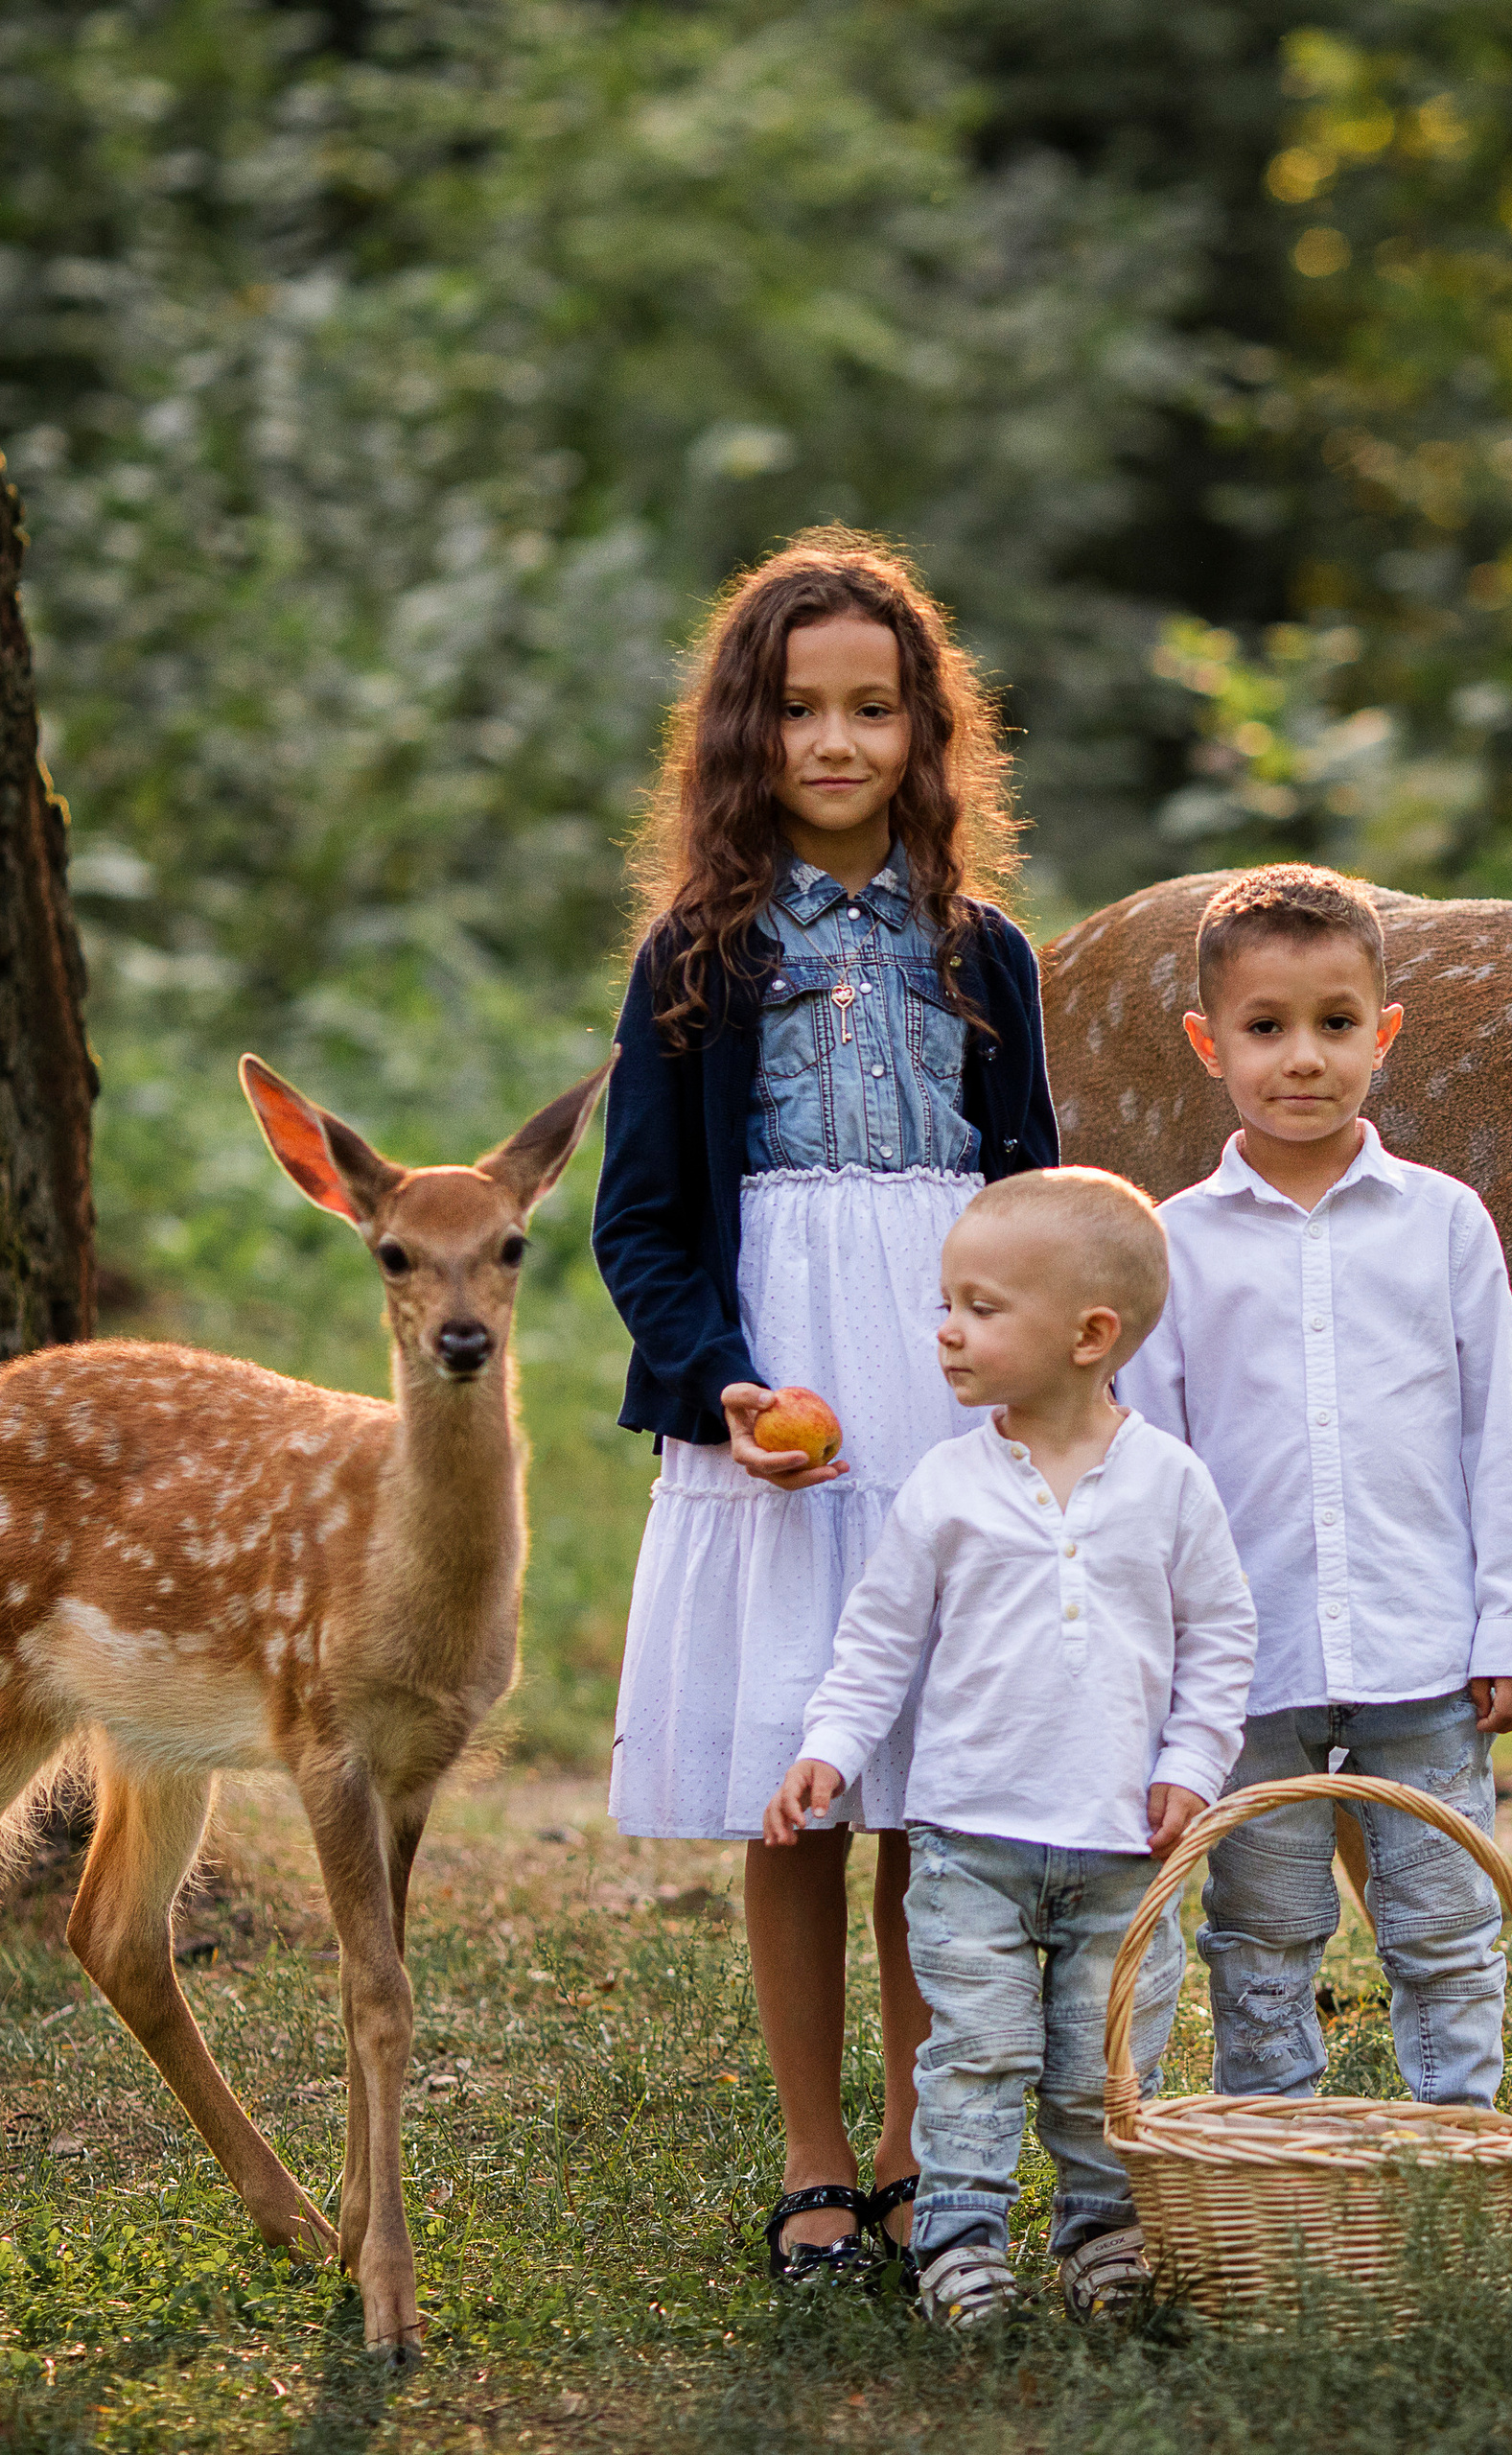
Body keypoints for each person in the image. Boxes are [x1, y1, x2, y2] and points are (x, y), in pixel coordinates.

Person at [593, 528, 1058, 2287]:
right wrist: (718, 1382)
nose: (839, 743)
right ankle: (809, 2157)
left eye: (874, 710)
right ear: (747, 734)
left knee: (934, 1788)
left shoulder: (986, 952)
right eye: (801, 711)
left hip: (950, 1384)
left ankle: (920, 2152)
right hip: (782, 1388)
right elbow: (639, 1220)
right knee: (804, 1776)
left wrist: (1042, 1376)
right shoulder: (696, 955)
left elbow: (1034, 1192)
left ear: (927, 736)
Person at [765, 1168, 1256, 2328]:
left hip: (1121, 1847)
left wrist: (1189, 1766)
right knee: (973, 2056)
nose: (946, 1329)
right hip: (969, 1840)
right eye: (947, 1302)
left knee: (1102, 2063)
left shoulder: (1170, 1483)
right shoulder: (946, 1486)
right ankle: (959, 2243)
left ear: (1090, 1335)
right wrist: (829, 1747)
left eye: (981, 1308)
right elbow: (879, 1639)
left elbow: (1223, 1635)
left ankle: (1100, 2234)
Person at [1117, 862, 1512, 2112]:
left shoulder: (1446, 1224)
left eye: (1334, 1025)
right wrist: (1169, 1657)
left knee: (1446, 1920)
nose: (1300, 1058)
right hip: (1247, 1665)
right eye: (1265, 1029)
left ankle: (1459, 2151)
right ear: (1210, 1043)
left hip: (1429, 1649)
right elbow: (1154, 1460)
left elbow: (1502, 1436)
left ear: (1384, 1034)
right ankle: (1272, 2152)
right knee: (1261, 1931)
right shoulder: (1178, 1244)